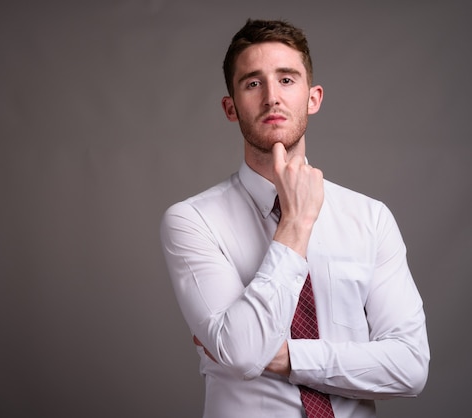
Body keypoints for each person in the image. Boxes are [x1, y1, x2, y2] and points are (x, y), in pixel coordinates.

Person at [159, 19, 429, 418]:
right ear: (230, 107)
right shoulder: (192, 221)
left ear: (313, 97)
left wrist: (284, 356)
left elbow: (409, 368)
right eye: (253, 83)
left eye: (287, 80)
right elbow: (241, 354)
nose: (272, 97)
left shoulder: (370, 218)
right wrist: (296, 224)